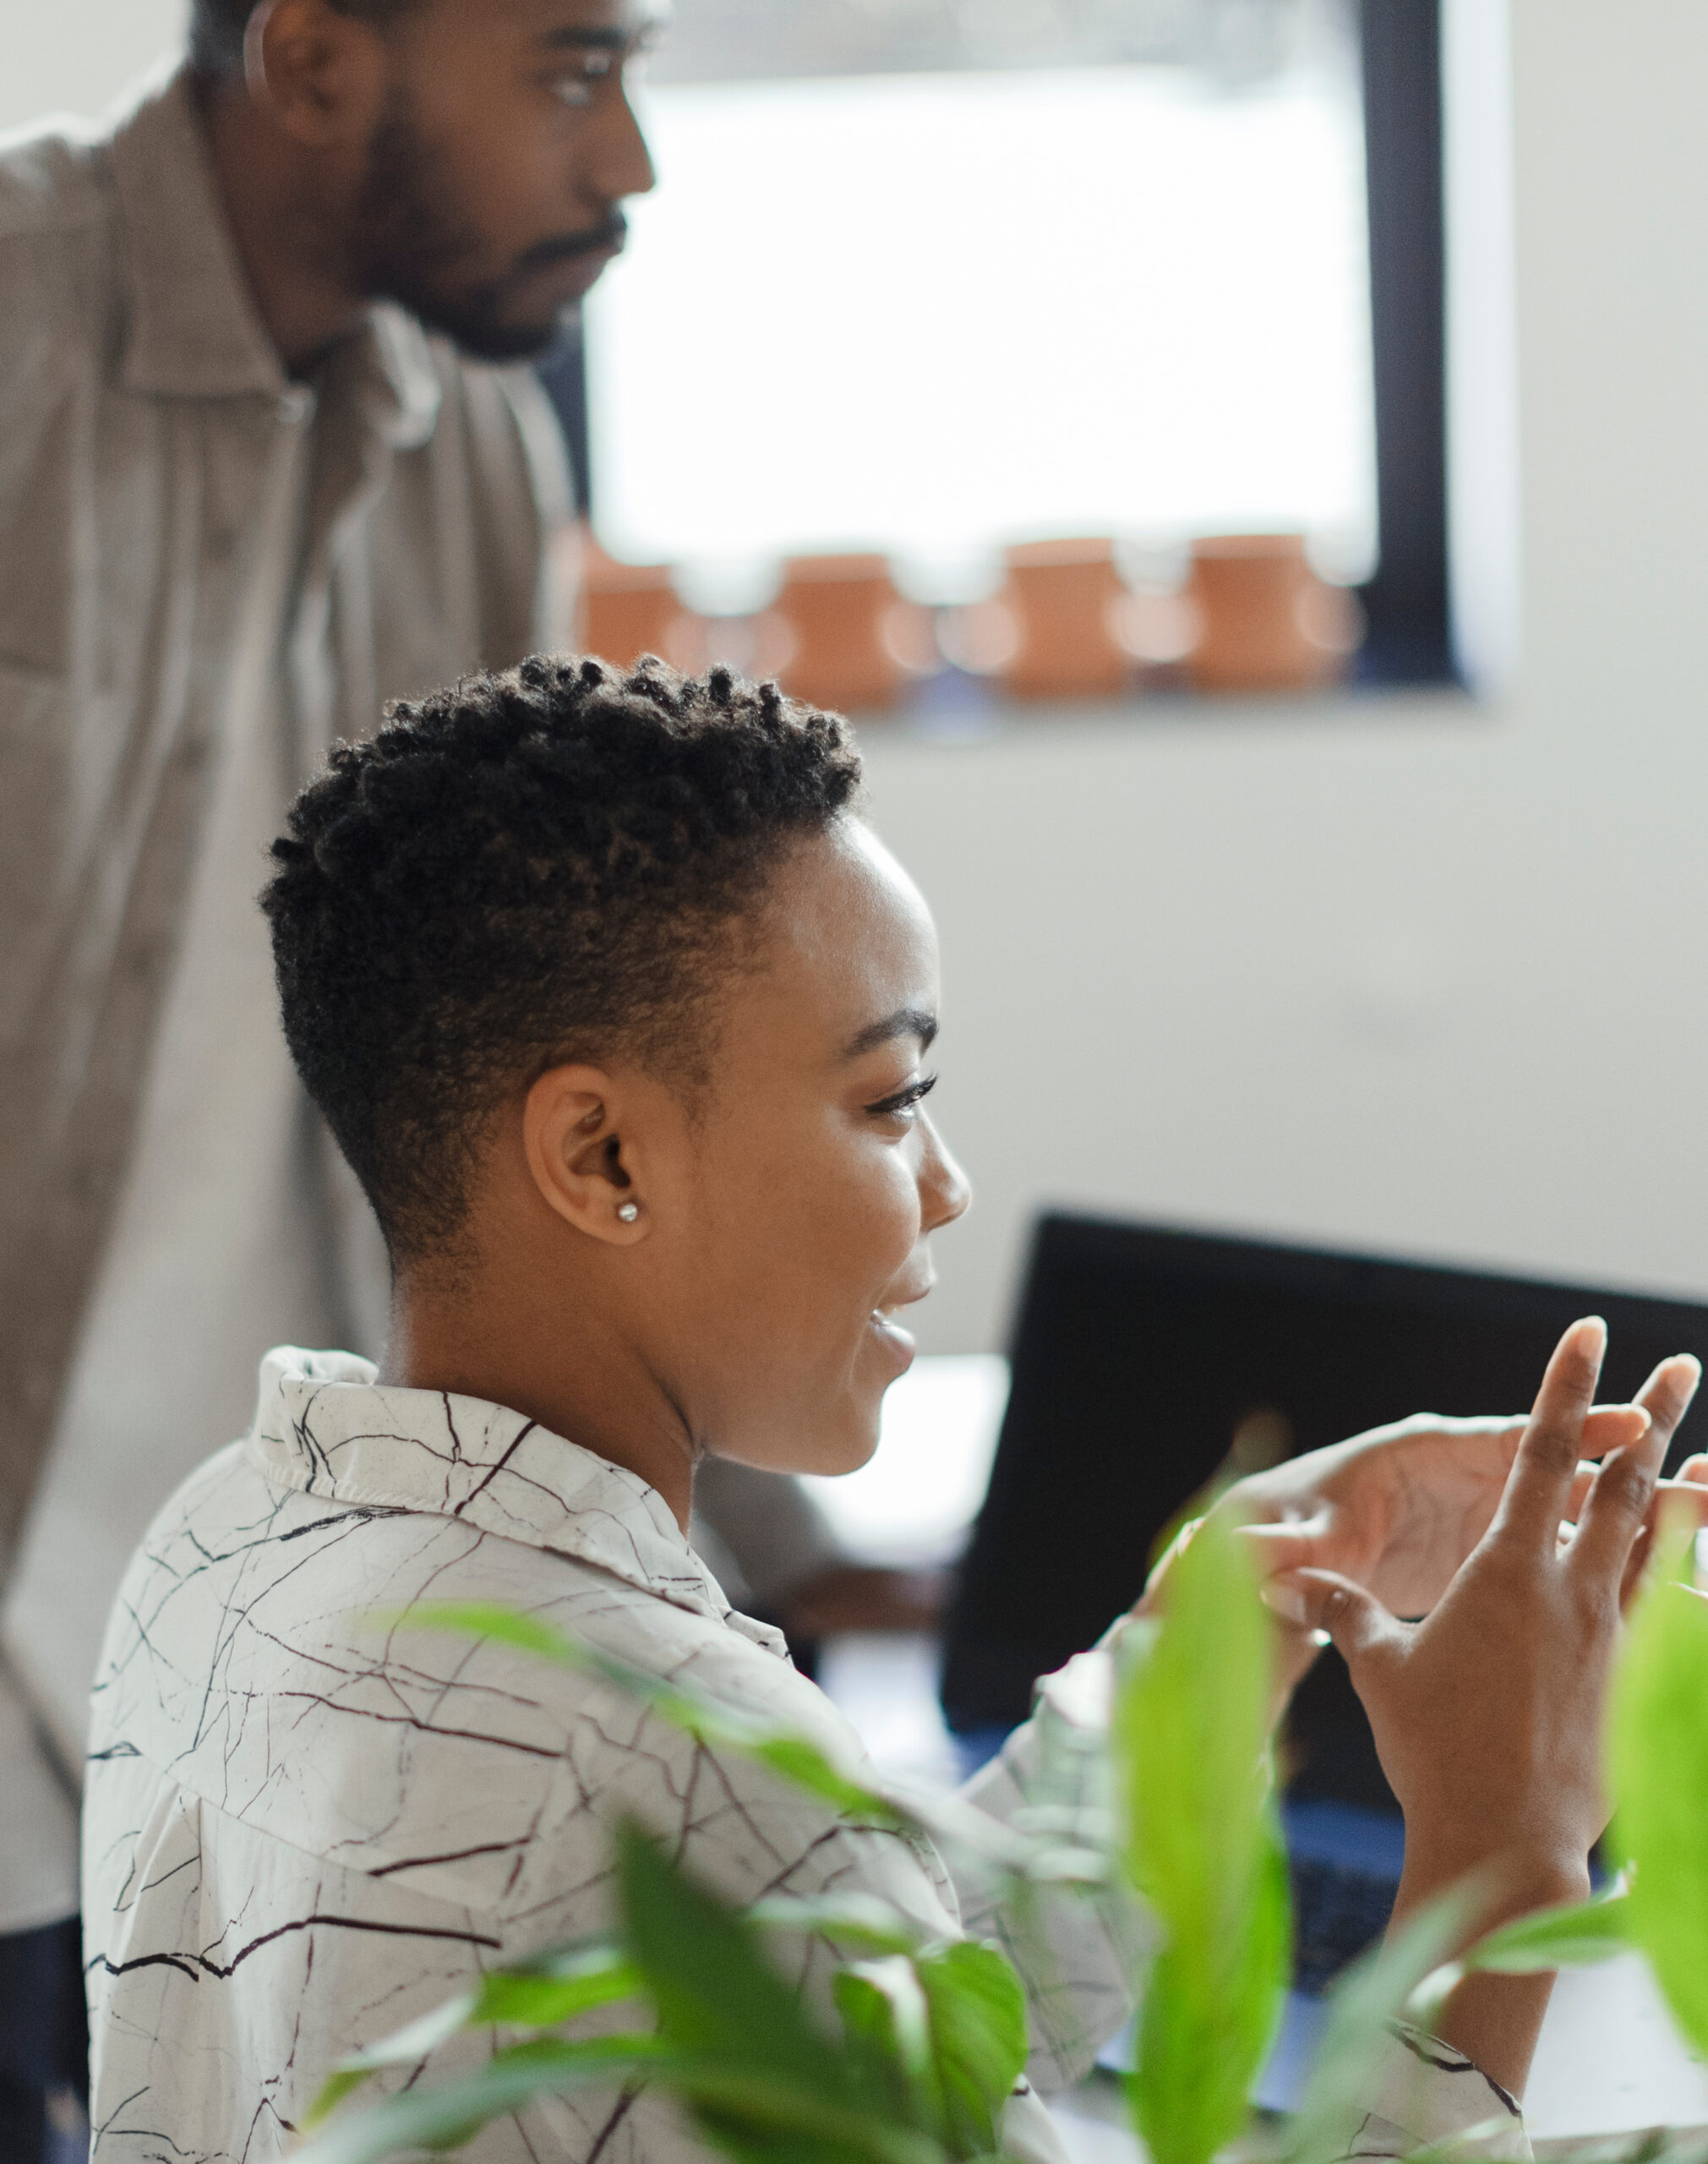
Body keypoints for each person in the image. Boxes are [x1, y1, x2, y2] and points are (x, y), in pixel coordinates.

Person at [81, 656, 1702, 2161]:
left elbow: (876, 2004)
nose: (944, 1184)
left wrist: (1228, 1605)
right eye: (889, 1097)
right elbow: (796, 1904)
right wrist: (1504, 1853)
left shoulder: (222, 1549)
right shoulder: (657, 1761)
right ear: (602, 1157)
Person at [0, 8, 876, 2142]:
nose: (635, 157)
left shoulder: (477, 446)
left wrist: (755, 1518)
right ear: (312, 58)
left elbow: (557, 1038)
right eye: (572, 72)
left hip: (261, 1622)